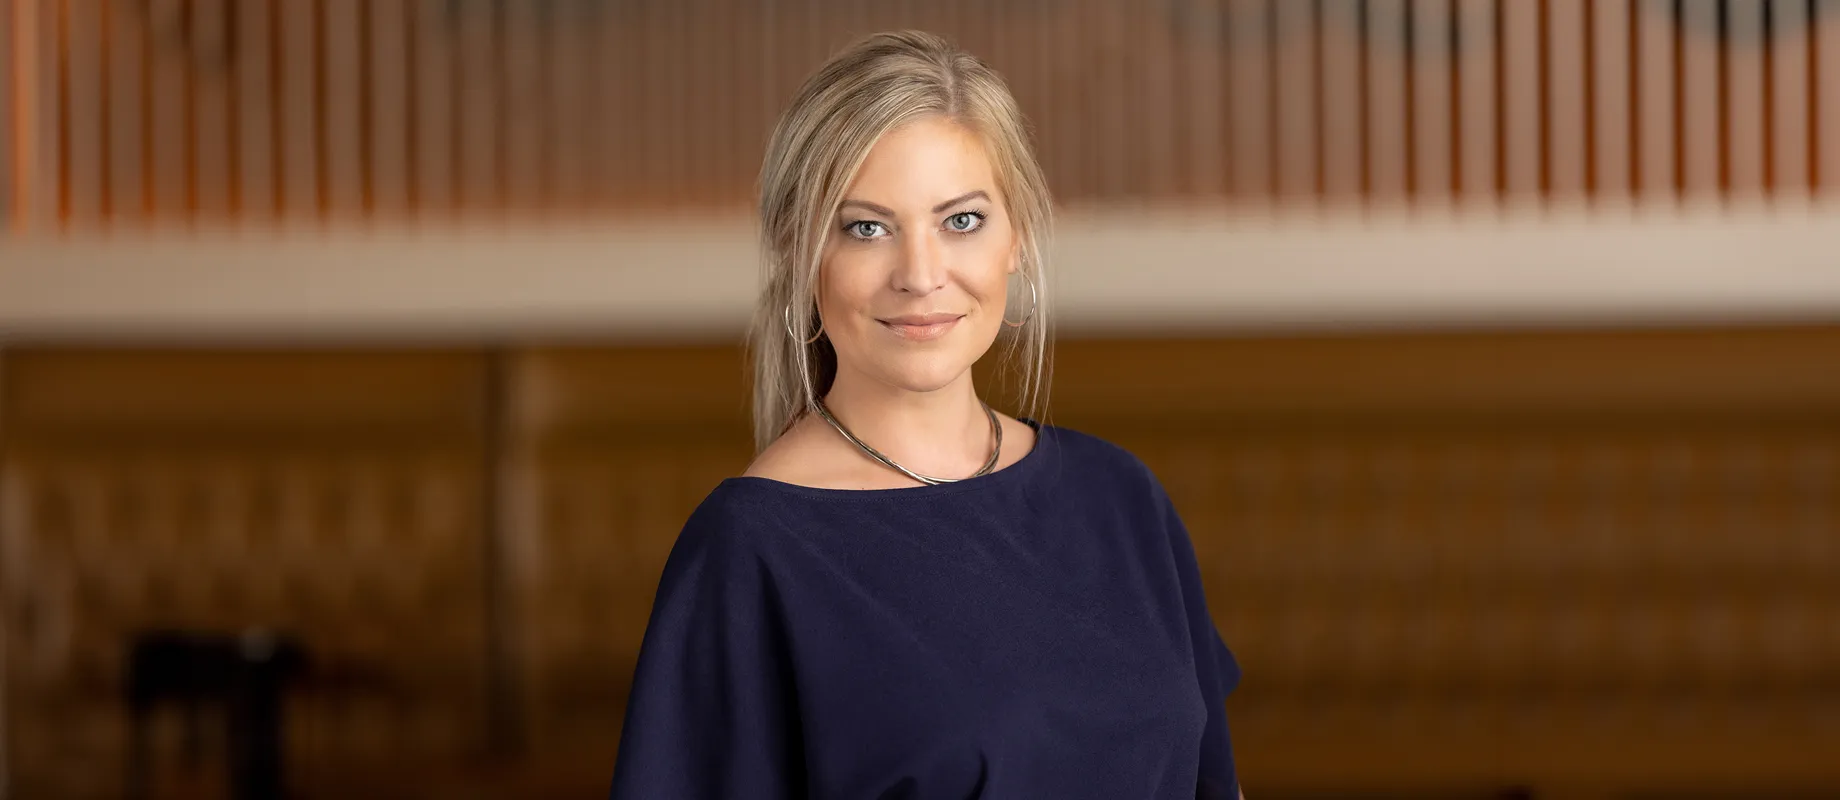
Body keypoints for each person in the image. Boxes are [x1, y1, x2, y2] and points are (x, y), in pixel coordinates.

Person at [608, 30, 1244, 800]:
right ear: (800, 254)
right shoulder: (751, 549)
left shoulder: (1120, 497)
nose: (920, 275)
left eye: (962, 220)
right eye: (866, 227)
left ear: (1017, 238)